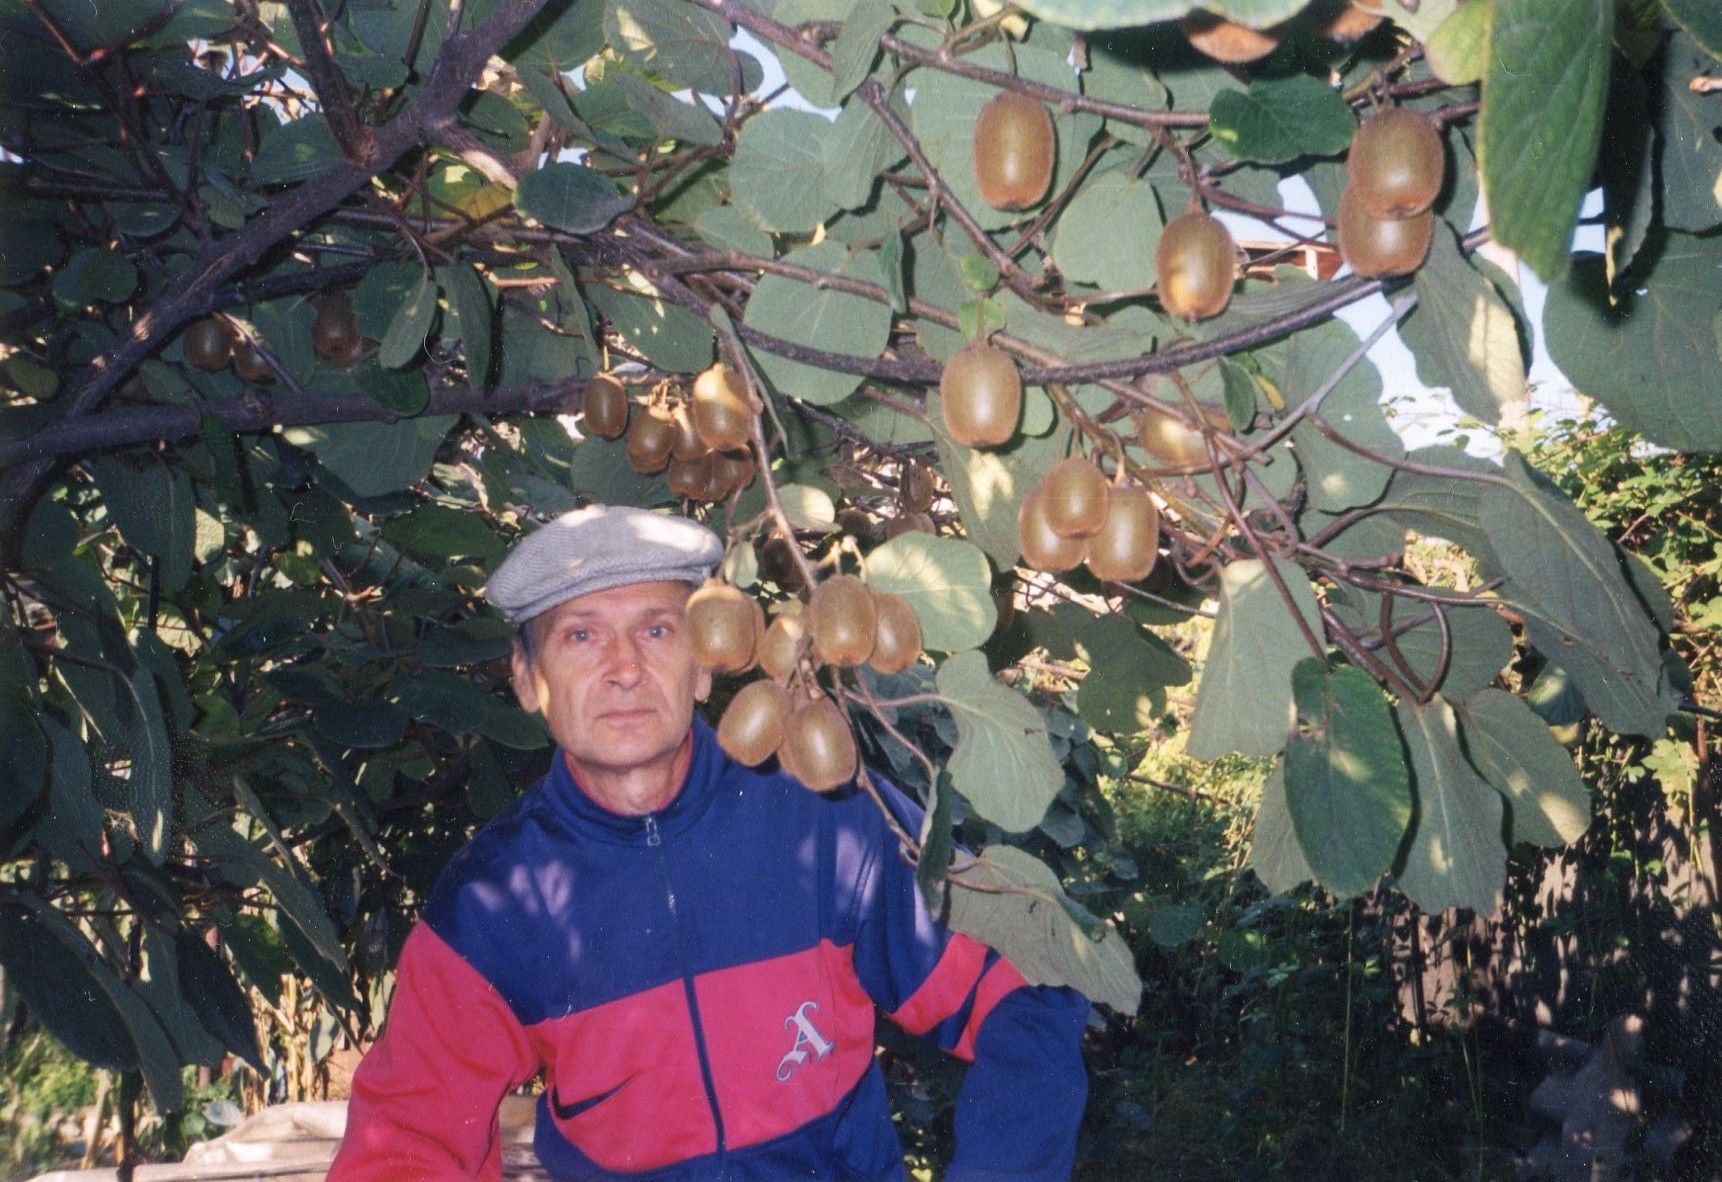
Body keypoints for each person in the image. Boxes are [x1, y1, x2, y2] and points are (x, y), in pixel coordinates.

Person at [328, 505, 1090, 1181]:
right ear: (527, 680)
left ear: (703, 667)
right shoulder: (494, 902)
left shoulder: (826, 818)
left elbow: (1023, 993)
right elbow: (407, 1139)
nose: (625, 670)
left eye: (657, 631)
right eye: (581, 635)